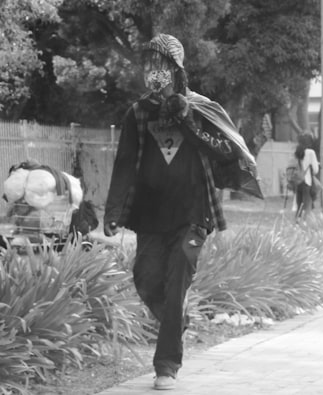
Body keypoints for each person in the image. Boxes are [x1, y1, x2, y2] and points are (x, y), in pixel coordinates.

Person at [103, 33, 261, 392]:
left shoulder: (202, 107)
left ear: (177, 70)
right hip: (150, 215)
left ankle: (166, 365)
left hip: (194, 212)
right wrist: (112, 210)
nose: (153, 73)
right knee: (145, 279)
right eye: (148, 66)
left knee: (176, 285)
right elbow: (125, 163)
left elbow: (226, 152)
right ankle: (178, 319)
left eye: (161, 66)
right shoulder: (138, 113)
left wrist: (188, 122)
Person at [293, 132, 320, 219]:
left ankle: (297, 223)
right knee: (307, 206)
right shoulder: (311, 152)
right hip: (307, 182)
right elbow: (315, 170)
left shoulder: (297, 152)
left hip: (298, 182)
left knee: (299, 205)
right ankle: (306, 223)